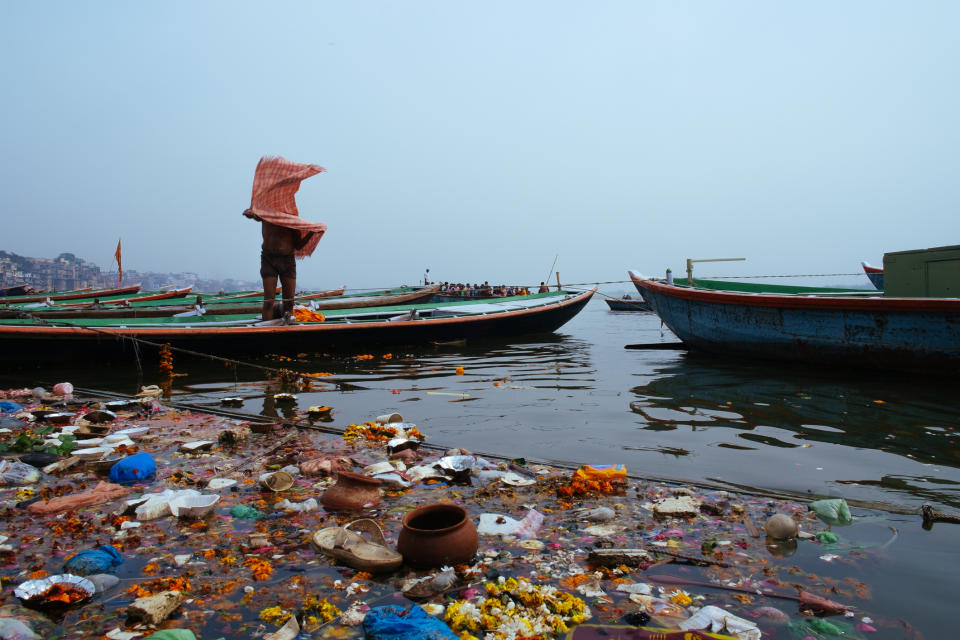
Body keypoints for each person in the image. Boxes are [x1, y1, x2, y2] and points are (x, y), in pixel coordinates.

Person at [243, 156, 328, 321]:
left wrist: (311, 231)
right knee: (269, 301)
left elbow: (298, 245)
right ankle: (266, 332)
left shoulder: (290, 219)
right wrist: (250, 213)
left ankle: (285, 330)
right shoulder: (266, 213)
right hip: (268, 258)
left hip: (287, 260)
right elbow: (251, 214)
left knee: (289, 302)